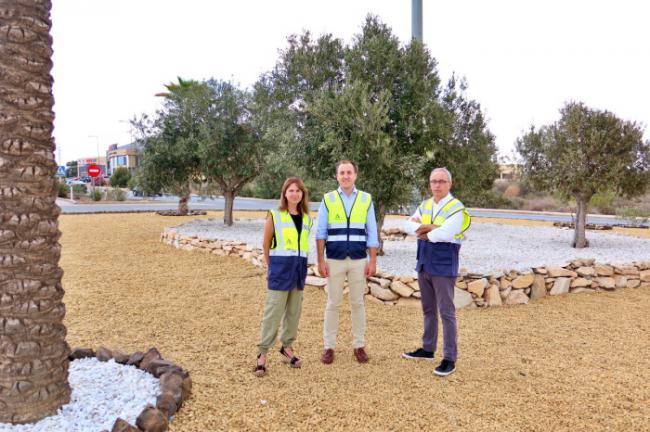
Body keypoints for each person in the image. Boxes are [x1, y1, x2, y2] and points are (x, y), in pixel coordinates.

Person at [402, 167, 471, 377]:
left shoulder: (456, 208)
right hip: (424, 263)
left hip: (443, 265)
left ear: (450, 184)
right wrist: (431, 228)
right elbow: (406, 226)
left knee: (447, 313)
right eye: (434, 181)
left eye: (441, 181)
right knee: (428, 310)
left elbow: (446, 233)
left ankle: (449, 358)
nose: (437, 185)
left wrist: (425, 231)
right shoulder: (425, 205)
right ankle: (428, 349)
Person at [316, 160, 379, 364]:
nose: (345, 176)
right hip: (334, 259)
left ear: (355, 175)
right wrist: (320, 261)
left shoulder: (366, 199)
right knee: (333, 303)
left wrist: (373, 261)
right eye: (342, 172)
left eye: (349, 172)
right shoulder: (328, 199)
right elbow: (320, 233)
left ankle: (359, 345)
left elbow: (372, 232)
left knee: (358, 303)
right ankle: (328, 347)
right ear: (337, 176)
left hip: (359, 260)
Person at [254, 177, 313, 377]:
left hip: (298, 271)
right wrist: (271, 267)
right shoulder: (275, 215)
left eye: (298, 190)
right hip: (280, 270)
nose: (295, 193)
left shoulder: (307, 219)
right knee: (273, 313)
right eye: (291, 190)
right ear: (285, 194)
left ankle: (287, 347)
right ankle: (262, 353)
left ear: (302, 194)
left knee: (294, 312)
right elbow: (265, 243)